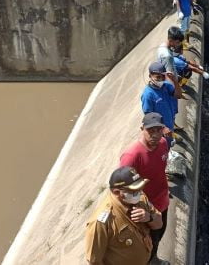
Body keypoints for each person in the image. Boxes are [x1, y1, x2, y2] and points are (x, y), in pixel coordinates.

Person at [120, 113, 171, 265]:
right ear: (142, 129)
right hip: (145, 209)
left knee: (159, 234)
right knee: (146, 244)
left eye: (158, 130)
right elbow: (122, 189)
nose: (155, 135)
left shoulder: (163, 143)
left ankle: (153, 259)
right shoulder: (132, 156)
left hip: (163, 203)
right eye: (150, 130)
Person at [85, 166, 162, 265]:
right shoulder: (101, 222)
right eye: (134, 191)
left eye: (140, 188)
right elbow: (94, 261)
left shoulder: (141, 199)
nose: (139, 193)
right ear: (117, 192)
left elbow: (159, 224)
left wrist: (149, 218)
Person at [141, 61, 180, 145]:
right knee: (164, 146)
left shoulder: (166, 85)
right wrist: (163, 128)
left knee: (169, 142)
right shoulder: (148, 95)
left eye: (163, 77)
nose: (161, 80)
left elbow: (178, 95)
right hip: (160, 130)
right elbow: (149, 117)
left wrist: (175, 81)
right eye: (157, 77)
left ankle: (172, 139)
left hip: (170, 122)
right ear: (150, 76)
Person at [157, 27, 184, 98]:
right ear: (171, 40)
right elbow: (169, 76)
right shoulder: (167, 56)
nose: (178, 45)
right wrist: (176, 90)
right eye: (177, 42)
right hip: (170, 86)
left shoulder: (162, 46)